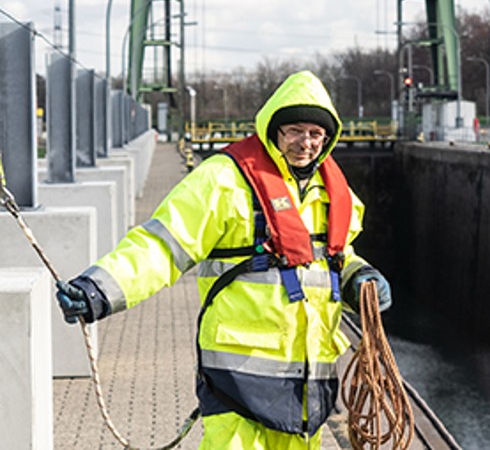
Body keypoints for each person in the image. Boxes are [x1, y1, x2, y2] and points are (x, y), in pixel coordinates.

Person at [55, 70, 392, 449]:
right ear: (274, 130)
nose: (306, 143)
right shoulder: (224, 180)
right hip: (238, 384)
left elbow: (336, 256)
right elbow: (162, 246)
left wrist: (360, 277)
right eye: (295, 130)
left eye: (316, 134)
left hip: (308, 393)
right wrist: (98, 290)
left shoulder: (332, 191)